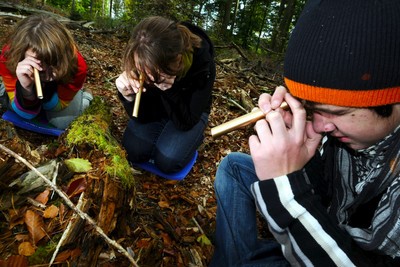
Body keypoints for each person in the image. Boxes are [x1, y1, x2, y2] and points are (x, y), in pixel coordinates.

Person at [210, 0, 400, 266]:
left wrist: (288, 189)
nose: (322, 126)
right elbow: (326, 198)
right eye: (311, 108)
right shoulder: (340, 136)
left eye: (338, 112)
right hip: (326, 229)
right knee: (234, 167)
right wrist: (302, 158)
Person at [116, 16, 215, 173]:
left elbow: (186, 121)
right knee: (132, 151)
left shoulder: (202, 63)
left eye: (151, 71)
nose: (145, 74)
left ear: (177, 59)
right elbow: (141, 116)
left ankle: (194, 138)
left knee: (168, 162)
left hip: (188, 112)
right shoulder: (144, 56)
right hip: (158, 108)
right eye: (141, 68)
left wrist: (169, 90)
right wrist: (128, 96)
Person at [0, 14, 92, 129]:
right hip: (21, 81)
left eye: (49, 61)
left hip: (60, 89)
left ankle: (85, 96)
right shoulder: (8, 55)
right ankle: (4, 89)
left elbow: (59, 105)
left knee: (64, 123)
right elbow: (26, 114)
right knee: (18, 110)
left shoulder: (77, 65)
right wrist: (26, 89)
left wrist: (47, 88)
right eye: (34, 60)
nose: (41, 68)